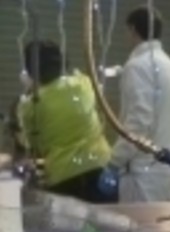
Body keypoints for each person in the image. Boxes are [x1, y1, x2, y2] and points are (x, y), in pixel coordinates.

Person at [15, 41, 114, 203]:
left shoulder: (30, 106)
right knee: (108, 223)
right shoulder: (83, 84)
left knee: (70, 227)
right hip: (101, 166)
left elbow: (33, 144)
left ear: (31, 72)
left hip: (64, 176)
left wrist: (30, 89)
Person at [111, 6, 170, 202]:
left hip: (143, 174)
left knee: (139, 231)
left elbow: (139, 121)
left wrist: (114, 161)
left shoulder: (137, 66)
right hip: (167, 168)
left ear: (133, 29)